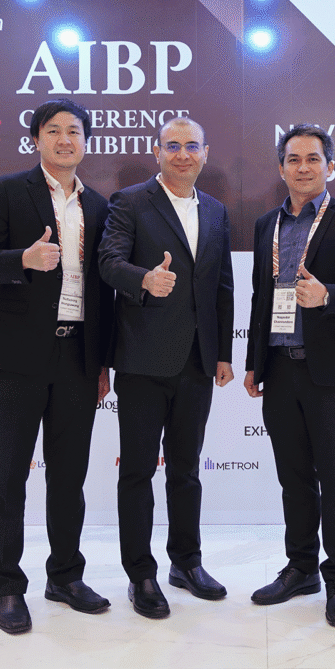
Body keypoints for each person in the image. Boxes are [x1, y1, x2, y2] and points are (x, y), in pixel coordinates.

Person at [0, 98, 115, 635]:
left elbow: (102, 289)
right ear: (36, 140)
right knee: (10, 474)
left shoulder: (99, 205)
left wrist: (101, 363)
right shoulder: (9, 190)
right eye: (53, 131)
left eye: (74, 131)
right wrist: (23, 261)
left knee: (69, 476)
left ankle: (66, 577)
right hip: (17, 356)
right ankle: (7, 586)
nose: (64, 139)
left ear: (86, 142)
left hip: (78, 355)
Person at [243, 124, 335, 628]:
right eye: (294, 159)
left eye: (313, 159)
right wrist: (255, 361)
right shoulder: (267, 224)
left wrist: (329, 296)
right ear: (281, 168)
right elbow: (262, 296)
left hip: (332, 375)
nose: (303, 167)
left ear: (330, 166)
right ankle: (301, 568)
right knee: (294, 478)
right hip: (281, 369)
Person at [99, 116, 235, 619]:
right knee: (137, 472)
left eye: (191, 146)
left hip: (197, 362)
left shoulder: (216, 210)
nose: (182, 154)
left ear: (205, 153)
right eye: (172, 146)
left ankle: (186, 562)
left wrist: (222, 353)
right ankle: (141, 574)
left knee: (186, 470)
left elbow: (222, 284)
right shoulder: (131, 201)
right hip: (142, 360)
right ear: (157, 152)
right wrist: (143, 280)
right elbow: (107, 262)